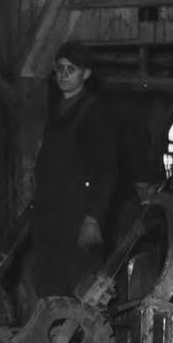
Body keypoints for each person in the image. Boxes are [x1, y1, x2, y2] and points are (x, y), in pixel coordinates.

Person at [28, 42, 122, 297]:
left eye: (72, 69)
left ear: (86, 74)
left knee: (78, 285)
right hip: (49, 214)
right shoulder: (56, 110)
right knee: (47, 282)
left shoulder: (95, 113)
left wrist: (92, 219)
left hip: (76, 215)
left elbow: (106, 171)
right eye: (60, 68)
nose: (64, 75)